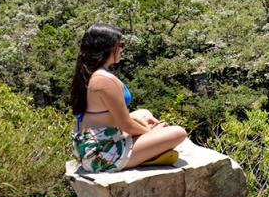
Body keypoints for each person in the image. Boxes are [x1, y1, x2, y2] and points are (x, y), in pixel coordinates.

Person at [69, 23, 187, 172]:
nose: (122, 49)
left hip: (89, 143)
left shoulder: (89, 73)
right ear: (108, 47)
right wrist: (152, 133)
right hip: (101, 155)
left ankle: (145, 151)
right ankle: (144, 155)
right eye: (121, 44)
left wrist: (141, 123)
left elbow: (116, 118)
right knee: (178, 133)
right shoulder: (104, 80)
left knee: (142, 113)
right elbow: (126, 125)